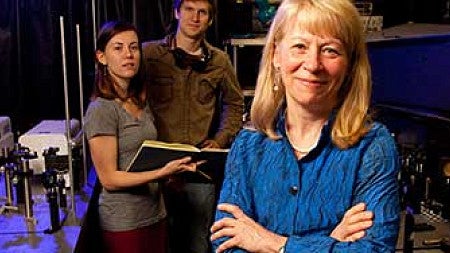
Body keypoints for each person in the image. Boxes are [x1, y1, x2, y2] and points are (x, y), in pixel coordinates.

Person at [210, 0, 401, 252]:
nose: (313, 64)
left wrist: (273, 243)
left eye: (330, 50)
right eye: (300, 46)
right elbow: (226, 244)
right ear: (276, 55)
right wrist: (331, 241)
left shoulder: (373, 147)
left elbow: (374, 249)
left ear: (351, 65)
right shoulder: (247, 146)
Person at [84, 21, 201, 253]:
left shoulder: (139, 101)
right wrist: (161, 172)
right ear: (101, 57)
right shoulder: (102, 110)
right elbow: (109, 178)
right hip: (125, 222)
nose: (128, 55)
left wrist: (174, 171)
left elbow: (141, 157)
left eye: (134, 47)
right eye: (118, 48)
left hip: (155, 215)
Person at [141, 0, 244, 252]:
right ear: (176, 12)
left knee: (198, 241)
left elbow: (235, 103)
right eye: (188, 9)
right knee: (157, 241)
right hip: (155, 167)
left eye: (202, 12)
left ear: (210, 19)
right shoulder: (149, 55)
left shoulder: (219, 61)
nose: (195, 17)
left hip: (198, 166)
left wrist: (220, 140)